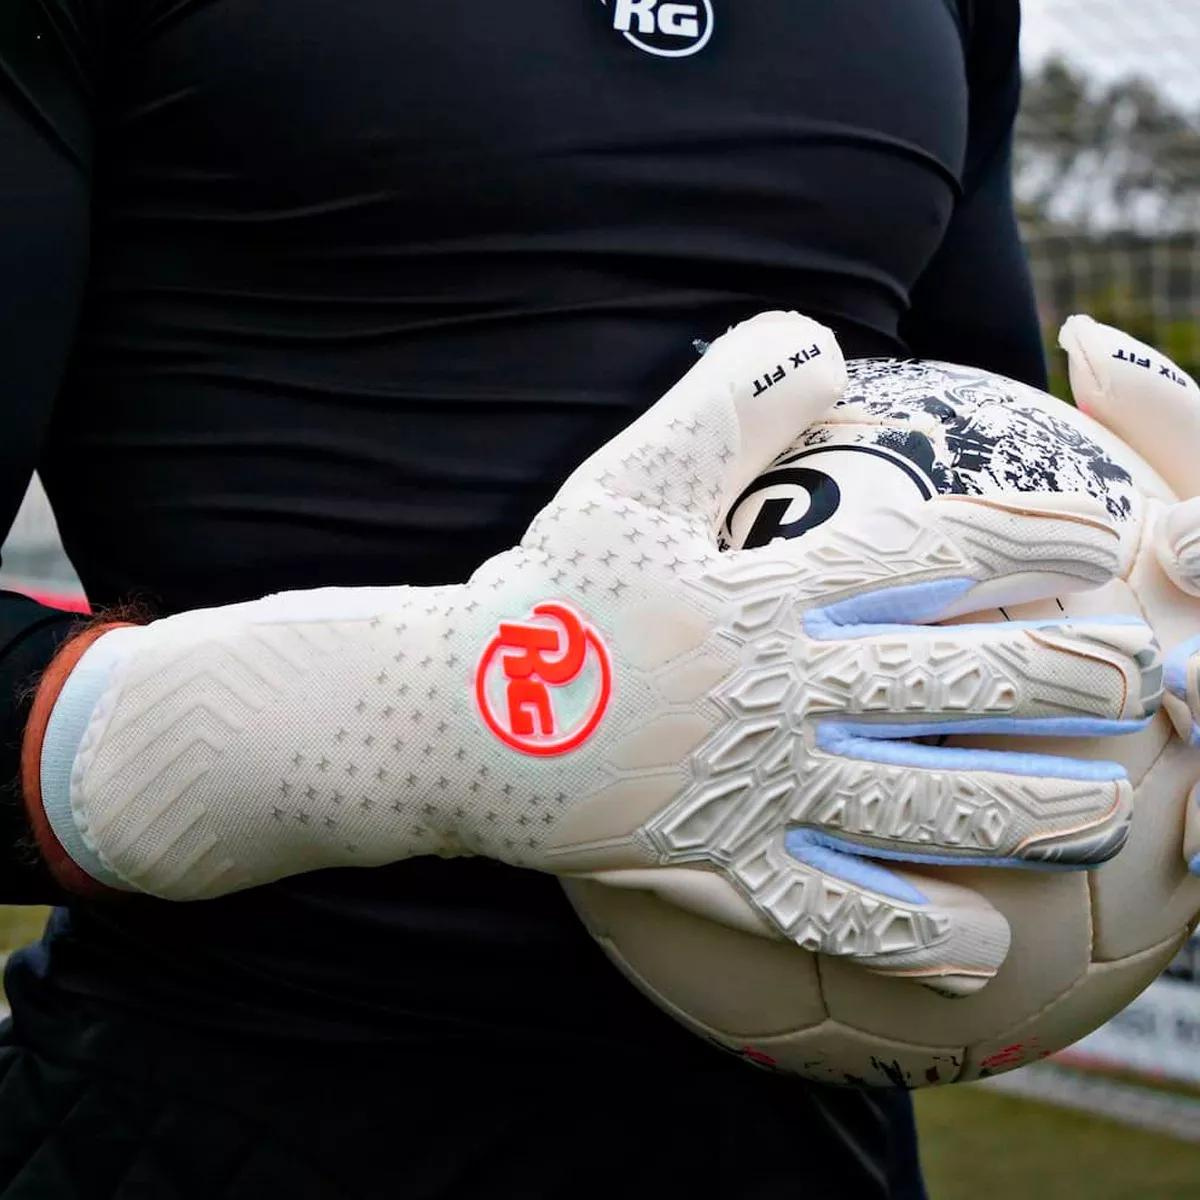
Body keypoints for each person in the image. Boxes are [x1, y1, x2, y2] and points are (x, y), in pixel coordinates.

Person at [0, 2, 1145, 1196]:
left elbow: (1002, 540)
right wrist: (420, 721)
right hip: (205, 1116)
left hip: (806, 1142)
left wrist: (1142, 657)